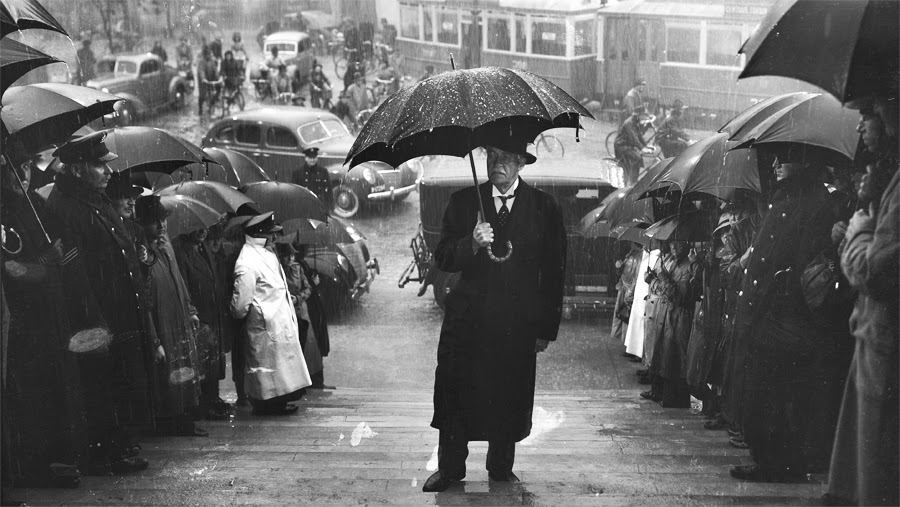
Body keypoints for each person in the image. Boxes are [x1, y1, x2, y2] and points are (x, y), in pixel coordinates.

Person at [422, 137, 567, 492]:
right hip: (467, 323)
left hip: (515, 325)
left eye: (506, 157)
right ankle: (450, 468)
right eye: (491, 155)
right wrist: (471, 244)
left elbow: (554, 272)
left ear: (521, 162)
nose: (496, 163)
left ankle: (501, 467)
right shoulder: (463, 202)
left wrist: (545, 328)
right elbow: (442, 258)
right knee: (456, 393)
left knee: (508, 393)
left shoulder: (544, 207)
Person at [729, 149, 843, 483]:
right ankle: (769, 458)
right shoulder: (786, 198)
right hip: (767, 311)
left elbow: (807, 260)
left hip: (786, 313)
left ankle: (778, 462)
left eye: (784, 159)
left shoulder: (817, 203)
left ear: (805, 161)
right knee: (765, 390)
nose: (776, 165)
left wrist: (780, 288)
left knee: (778, 392)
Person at [45, 132, 152, 474]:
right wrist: (95, 323)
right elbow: (76, 274)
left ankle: (119, 442)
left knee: (120, 381)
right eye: (98, 165)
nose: (108, 172)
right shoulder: (64, 207)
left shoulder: (96, 199)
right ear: (77, 169)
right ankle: (106, 452)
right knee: (101, 386)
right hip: (97, 316)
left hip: (119, 310)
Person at [825, 97, 899, 506]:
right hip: (877, 341)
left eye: (869, 114)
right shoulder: (891, 178)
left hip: (886, 348)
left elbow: (874, 271)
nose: (861, 126)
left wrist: (860, 223)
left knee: (876, 476)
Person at [0, 143, 86, 488]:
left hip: (52, 315)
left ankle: (58, 456)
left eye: (25, 166)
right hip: (24, 322)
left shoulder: (35, 204)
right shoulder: (4, 212)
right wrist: (43, 263)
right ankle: (35, 465)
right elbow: (10, 269)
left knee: (55, 388)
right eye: (12, 168)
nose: (21, 174)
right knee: (32, 393)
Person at [135, 196, 205, 437]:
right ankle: (172, 420)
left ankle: (185, 416)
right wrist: (155, 339)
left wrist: (190, 310)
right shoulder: (143, 252)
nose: (161, 226)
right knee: (169, 371)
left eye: (163, 220)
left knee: (184, 364)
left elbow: (178, 280)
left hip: (178, 316)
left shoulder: (166, 247)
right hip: (162, 319)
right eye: (154, 221)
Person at [230, 212, 312, 416]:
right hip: (264, 324)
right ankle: (267, 406)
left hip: (277, 322)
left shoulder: (266, 253)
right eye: (270, 233)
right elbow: (240, 304)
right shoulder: (247, 261)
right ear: (259, 234)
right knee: (267, 370)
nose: (275, 237)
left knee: (279, 368)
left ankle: (278, 403)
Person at [173, 227, 233, 421]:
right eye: (196, 228)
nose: (202, 232)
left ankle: (213, 398)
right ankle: (203, 403)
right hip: (200, 316)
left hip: (213, 314)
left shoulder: (204, 248)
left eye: (205, 229)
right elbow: (184, 286)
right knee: (202, 363)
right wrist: (192, 311)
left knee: (212, 362)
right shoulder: (180, 250)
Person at [644, 240, 699, 408]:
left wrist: (662, 277)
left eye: (678, 243)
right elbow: (665, 290)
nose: (674, 247)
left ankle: (674, 398)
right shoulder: (675, 263)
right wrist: (654, 280)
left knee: (674, 358)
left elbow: (679, 296)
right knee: (664, 354)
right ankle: (659, 391)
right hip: (669, 315)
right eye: (672, 243)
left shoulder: (688, 267)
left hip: (680, 318)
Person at [295, 243, 332, 389]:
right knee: (312, 344)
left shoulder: (301, 264)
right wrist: (312, 282)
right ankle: (313, 381)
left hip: (312, 308)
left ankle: (316, 380)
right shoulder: (295, 266)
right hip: (307, 310)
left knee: (315, 344)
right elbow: (301, 287)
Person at [612, 242, 643, 345]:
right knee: (625, 315)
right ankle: (626, 341)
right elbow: (624, 273)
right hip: (627, 289)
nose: (630, 245)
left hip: (629, 291)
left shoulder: (636, 258)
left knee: (627, 316)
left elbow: (632, 276)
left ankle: (628, 342)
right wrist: (619, 267)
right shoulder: (631, 255)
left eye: (633, 243)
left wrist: (630, 292)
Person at [614, 105, 649, 186]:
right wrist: (642, 148)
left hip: (628, 145)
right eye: (643, 115)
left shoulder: (636, 122)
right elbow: (633, 138)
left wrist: (646, 146)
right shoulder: (629, 123)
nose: (644, 117)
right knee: (636, 158)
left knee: (638, 158)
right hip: (621, 146)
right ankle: (632, 181)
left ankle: (634, 180)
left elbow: (639, 136)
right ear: (638, 115)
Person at [293, 147, 333, 211]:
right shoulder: (298, 172)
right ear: (305, 158)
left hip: (319, 205)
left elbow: (329, 190)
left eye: (314, 157)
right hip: (303, 205)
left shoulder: (323, 171)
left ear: (317, 158)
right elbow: (294, 191)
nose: (312, 160)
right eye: (310, 158)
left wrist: (330, 206)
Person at [197, 47, 220, 117]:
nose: (209, 56)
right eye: (207, 54)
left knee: (216, 90)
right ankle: (200, 108)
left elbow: (215, 70)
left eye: (210, 54)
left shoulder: (212, 61)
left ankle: (212, 104)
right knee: (202, 95)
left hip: (210, 78)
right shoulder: (202, 62)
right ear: (205, 55)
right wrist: (203, 79)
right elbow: (201, 71)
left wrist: (218, 78)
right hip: (202, 80)